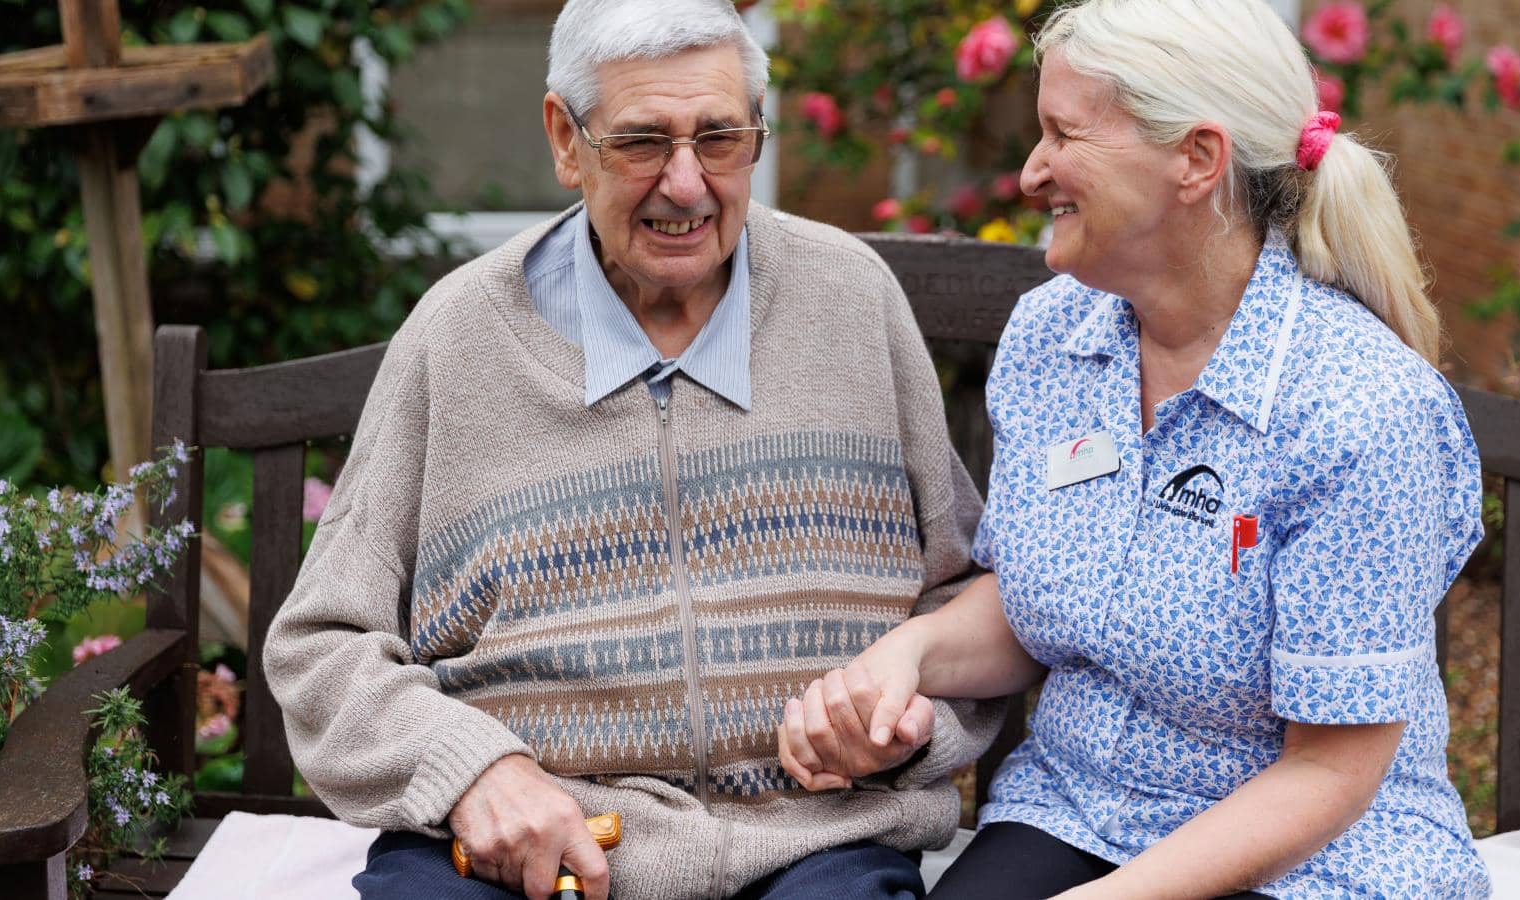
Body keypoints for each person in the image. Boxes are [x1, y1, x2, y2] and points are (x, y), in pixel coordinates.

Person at [262, 2, 1002, 898]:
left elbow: (962, 594)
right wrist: (474, 770)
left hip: (812, 844)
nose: (686, 184)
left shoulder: (851, 301)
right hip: (524, 857)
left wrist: (904, 721)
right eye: (644, 141)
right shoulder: (458, 337)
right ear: (565, 141)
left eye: (720, 138)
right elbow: (322, 647)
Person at [778, 1, 1490, 897]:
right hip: (1081, 810)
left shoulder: (1358, 409)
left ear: (1196, 159)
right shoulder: (1056, 334)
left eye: (1063, 134)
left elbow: (1331, 774)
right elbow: (1033, 596)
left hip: (1320, 856)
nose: (1033, 170)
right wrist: (907, 658)